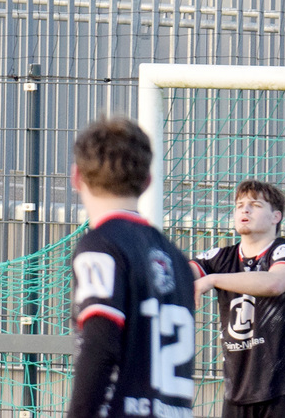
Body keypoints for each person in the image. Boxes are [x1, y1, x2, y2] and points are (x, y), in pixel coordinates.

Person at [67, 116, 195, 418]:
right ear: (148, 180)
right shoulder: (177, 259)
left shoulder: (101, 246)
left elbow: (100, 343)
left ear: (76, 176)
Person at [191, 180, 285, 418]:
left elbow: (274, 283)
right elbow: (178, 275)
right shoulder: (219, 257)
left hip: (284, 392)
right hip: (237, 394)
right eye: (239, 205)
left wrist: (213, 280)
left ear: (276, 216)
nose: (244, 210)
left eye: (255, 205)